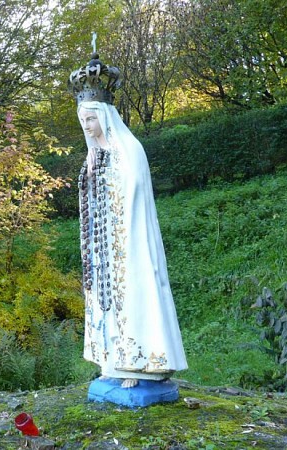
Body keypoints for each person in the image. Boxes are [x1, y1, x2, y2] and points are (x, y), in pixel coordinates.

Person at [75, 80, 187, 389]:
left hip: (128, 241)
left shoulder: (129, 149)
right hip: (104, 246)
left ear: (105, 116)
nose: (87, 125)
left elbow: (134, 193)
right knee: (105, 300)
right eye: (83, 120)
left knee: (134, 296)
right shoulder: (94, 154)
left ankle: (139, 365)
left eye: (91, 118)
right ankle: (112, 362)